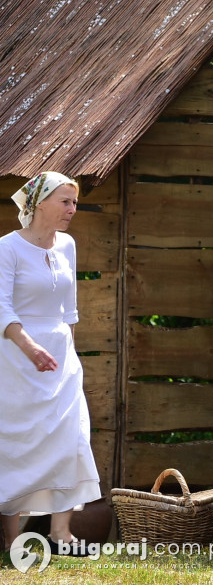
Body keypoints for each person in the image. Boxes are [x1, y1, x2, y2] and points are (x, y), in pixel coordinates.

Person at [0, 172, 101, 558]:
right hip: (16, 353)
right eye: (65, 201)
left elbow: (70, 309)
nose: (72, 210)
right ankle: (12, 540)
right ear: (39, 202)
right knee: (17, 440)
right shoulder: (8, 247)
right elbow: (2, 306)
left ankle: (61, 534)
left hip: (61, 355)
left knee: (69, 435)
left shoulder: (68, 245)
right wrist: (30, 347)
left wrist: (69, 356)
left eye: (74, 203)